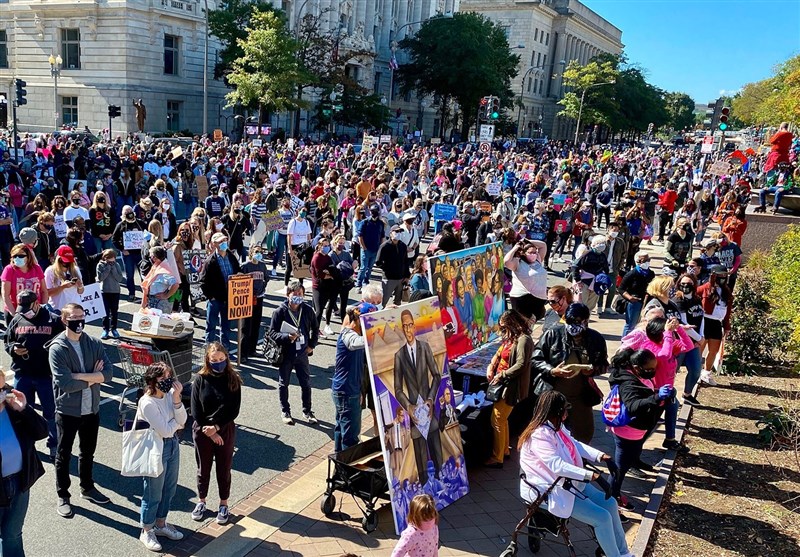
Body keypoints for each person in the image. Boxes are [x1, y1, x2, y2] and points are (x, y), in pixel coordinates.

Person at [518, 391, 632, 557]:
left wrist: (602, 457)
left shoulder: (556, 427)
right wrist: (592, 476)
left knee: (611, 504)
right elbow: (557, 465)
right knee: (602, 519)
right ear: (556, 412)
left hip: (571, 485)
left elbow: (574, 445)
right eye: (564, 410)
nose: (566, 413)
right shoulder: (540, 436)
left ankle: (624, 553)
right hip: (552, 491)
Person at [49, 303, 113, 518]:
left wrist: (79, 376)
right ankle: (63, 495)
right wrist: (92, 378)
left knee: (87, 452)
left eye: (82, 316)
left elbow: (109, 374)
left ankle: (87, 487)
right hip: (67, 410)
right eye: (74, 317)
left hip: (91, 409)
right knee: (64, 454)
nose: (79, 321)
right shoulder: (58, 348)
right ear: (65, 320)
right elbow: (66, 384)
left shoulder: (93, 342)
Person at [531, 303, 608, 443]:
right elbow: (536, 358)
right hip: (553, 392)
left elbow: (603, 364)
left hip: (580, 395)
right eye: (570, 321)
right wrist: (552, 370)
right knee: (548, 430)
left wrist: (592, 369)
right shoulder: (553, 333)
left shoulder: (595, 339)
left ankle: (580, 456)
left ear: (586, 321)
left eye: (578, 322)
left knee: (584, 431)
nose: (573, 326)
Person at [4, 289, 64, 459]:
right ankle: (26, 444)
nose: (25, 314)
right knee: (21, 411)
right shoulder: (17, 319)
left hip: (45, 376)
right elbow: (8, 341)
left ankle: (54, 444)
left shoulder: (53, 320)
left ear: (37, 304)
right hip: (22, 375)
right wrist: (14, 348)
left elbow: (62, 344)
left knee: (51, 412)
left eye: (28, 309)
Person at [606, 348, 668, 510]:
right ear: (636, 366)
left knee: (622, 466)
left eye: (655, 368)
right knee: (619, 469)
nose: (653, 372)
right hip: (628, 432)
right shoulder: (628, 384)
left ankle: (613, 495)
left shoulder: (635, 375)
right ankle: (611, 499)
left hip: (634, 431)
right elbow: (633, 406)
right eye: (649, 370)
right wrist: (656, 397)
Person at [190, 343, 242, 526]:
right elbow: (195, 410)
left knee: (224, 468)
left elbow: (233, 410)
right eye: (214, 360)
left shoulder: (233, 379)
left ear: (226, 359)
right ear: (207, 360)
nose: (218, 363)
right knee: (203, 468)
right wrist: (210, 432)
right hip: (203, 431)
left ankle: (223, 504)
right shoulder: (200, 379)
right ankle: (201, 501)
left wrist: (217, 427)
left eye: (221, 359)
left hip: (224, 429)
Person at [137, 361, 187, 552]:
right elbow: (166, 430)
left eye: (169, 376)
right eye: (163, 377)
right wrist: (175, 424)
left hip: (173, 444)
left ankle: (161, 524)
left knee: (169, 488)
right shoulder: (147, 402)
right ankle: (147, 529)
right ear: (152, 380)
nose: (168, 380)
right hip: (155, 448)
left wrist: (176, 400)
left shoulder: (168, 396)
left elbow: (182, 420)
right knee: (153, 491)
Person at [0, 369, 49, 557]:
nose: (3, 394)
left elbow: (42, 432)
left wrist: (24, 409)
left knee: (12, 535)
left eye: (3, 388)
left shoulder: (12, 408)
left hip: (20, 483)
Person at [393, 309, 443, 485]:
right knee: (422, 464)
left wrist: (430, 399)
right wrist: (409, 407)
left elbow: (436, 376)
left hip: (429, 413)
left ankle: (443, 485)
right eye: (404, 326)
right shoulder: (399, 356)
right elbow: (398, 388)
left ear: (414, 327)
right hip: (415, 417)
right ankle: (424, 493)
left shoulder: (425, 347)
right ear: (402, 329)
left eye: (410, 325)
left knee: (438, 457)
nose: (408, 330)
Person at [484, 310, 533, 468]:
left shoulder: (523, 340)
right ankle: (503, 451)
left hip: (510, 386)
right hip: (503, 383)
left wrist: (502, 375)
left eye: (505, 327)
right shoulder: (511, 338)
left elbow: (520, 364)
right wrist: (491, 366)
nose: (503, 331)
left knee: (497, 419)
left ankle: (497, 457)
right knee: (501, 420)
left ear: (514, 323)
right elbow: (499, 353)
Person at [268, 282, 320, 425]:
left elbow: (315, 328)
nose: (298, 297)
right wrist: (286, 337)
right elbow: (272, 333)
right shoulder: (280, 311)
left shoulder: (308, 310)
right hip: (286, 353)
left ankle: (307, 411)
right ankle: (285, 411)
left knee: (306, 383)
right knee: (284, 383)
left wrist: (312, 345)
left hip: (302, 352)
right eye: (295, 294)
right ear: (288, 295)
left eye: (300, 294)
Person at [332, 302, 378, 452]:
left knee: (341, 430)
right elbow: (354, 343)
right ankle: (347, 468)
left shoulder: (358, 334)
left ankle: (339, 467)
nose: (370, 325)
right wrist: (375, 333)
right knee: (350, 437)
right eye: (368, 321)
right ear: (358, 320)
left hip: (350, 391)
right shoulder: (348, 334)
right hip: (346, 392)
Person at [200, 233, 241, 352]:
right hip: (215, 299)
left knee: (226, 327)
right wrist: (211, 297)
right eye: (221, 241)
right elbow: (203, 281)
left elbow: (238, 270)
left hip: (229, 298)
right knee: (211, 326)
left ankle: (225, 350)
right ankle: (209, 350)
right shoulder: (210, 261)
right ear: (214, 244)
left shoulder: (231, 257)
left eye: (225, 240)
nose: (224, 243)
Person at [697, 265, 733, 387]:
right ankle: (696, 372)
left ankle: (706, 373)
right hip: (705, 321)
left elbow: (728, 311)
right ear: (713, 276)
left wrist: (727, 326)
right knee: (700, 348)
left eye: (724, 276)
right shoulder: (704, 288)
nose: (722, 278)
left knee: (714, 350)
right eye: (720, 276)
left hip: (717, 323)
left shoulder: (726, 291)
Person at [671, 274, 704, 406]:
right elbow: (683, 324)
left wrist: (701, 336)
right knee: (673, 371)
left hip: (694, 342)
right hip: (680, 341)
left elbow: (702, 318)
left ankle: (687, 394)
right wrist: (699, 338)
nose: (685, 286)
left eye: (689, 283)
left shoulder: (697, 299)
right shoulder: (678, 300)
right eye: (683, 283)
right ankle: (667, 396)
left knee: (696, 370)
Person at [1, 244, 47, 325]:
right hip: (15, 311)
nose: (17, 258)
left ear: (28, 257)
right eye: (15, 256)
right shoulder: (9, 270)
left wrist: (43, 308)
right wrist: (15, 314)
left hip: (35, 312)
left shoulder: (36, 268)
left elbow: (44, 291)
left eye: (21, 256)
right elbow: (5, 295)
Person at [504, 239, 548, 321]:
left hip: (539, 299)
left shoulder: (538, 260)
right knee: (522, 323)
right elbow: (506, 261)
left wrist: (526, 241)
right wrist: (515, 248)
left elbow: (543, 245)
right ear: (523, 253)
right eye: (530, 252)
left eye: (535, 252)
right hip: (522, 298)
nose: (534, 254)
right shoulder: (517, 263)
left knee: (533, 322)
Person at [240, 244, 269, 360]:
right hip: (247, 299)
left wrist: (262, 288)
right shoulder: (246, 266)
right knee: (246, 326)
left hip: (259, 297)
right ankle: (243, 353)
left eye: (260, 252)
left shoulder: (262, 266)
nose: (259, 254)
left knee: (256, 325)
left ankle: (252, 349)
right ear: (251, 252)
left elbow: (266, 278)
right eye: (257, 251)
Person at [112, 205, 146, 301]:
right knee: (129, 275)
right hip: (128, 254)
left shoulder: (140, 223)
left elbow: (147, 233)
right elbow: (114, 239)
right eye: (127, 212)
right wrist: (122, 249)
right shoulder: (120, 225)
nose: (129, 214)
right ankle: (131, 293)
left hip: (140, 253)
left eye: (130, 211)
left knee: (143, 273)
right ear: (123, 214)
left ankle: (146, 292)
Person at [618, 251, 655, 336]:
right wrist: (629, 297)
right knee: (630, 325)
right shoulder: (631, 274)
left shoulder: (651, 273)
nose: (647, 262)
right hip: (634, 303)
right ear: (638, 261)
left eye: (648, 259)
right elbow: (621, 288)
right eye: (644, 260)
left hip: (647, 302)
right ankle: (625, 344)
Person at [570, 235, 611, 313]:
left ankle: (586, 321)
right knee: (581, 303)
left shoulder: (603, 256)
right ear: (594, 244)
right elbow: (575, 266)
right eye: (599, 243)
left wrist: (604, 279)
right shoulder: (586, 254)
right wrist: (578, 280)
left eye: (603, 243)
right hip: (584, 281)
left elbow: (606, 269)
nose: (602, 245)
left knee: (591, 304)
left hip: (596, 283)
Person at [310, 237, 338, 337]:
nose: (327, 248)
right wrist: (329, 274)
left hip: (327, 286)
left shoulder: (327, 257)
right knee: (319, 310)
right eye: (325, 246)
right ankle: (315, 330)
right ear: (320, 246)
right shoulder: (317, 257)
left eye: (328, 245)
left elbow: (331, 268)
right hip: (318, 286)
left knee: (326, 307)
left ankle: (322, 327)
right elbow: (320, 274)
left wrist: (329, 272)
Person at [376, 225, 410, 307]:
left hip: (401, 278)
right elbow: (378, 262)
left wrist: (407, 275)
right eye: (396, 231)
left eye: (400, 232)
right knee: (383, 301)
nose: (399, 233)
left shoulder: (403, 246)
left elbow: (405, 261)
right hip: (389, 278)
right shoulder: (384, 246)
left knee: (398, 302)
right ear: (391, 233)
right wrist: (387, 269)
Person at [44, 245, 85, 312]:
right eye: (64, 261)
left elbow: (81, 292)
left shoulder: (76, 269)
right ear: (58, 259)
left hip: (75, 309)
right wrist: (62, 287)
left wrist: (80, 286)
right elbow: (47, 293)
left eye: (69, 261)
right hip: (58, 309)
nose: (66, 263)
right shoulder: (50, 271)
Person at [355, 204, 386, 289]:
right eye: (372, 211)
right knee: (363, 267)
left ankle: (366, 281)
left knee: (370, 267)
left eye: (375, 212)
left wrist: (381, 248)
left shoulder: (380, 223)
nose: (374, 213)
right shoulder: (365, 222)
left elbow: (382, 236)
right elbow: (360, 236)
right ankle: (358, 283)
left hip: (375, 249)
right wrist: (363, 246)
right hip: (366, 249)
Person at [95, 248, 123, 339]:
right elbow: (100, 278)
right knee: (105, 312)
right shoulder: (100, 265)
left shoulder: (117, 265)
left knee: (114, 311)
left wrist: (113, 269)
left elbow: (119, 278)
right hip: (105, 291)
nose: (111, 260)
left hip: (115, 291)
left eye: (113, 258)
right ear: (105, 258)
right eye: (109, 258)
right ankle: (105, 329)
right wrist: (107, 268)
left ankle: (114, 328)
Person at [141, 245, 179, 314]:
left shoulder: (163, 272)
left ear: (155, 258)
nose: (150, 259)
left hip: (160, 304)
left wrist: (166, 296)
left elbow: (176, 284)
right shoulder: (157, 267)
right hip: (154, 302)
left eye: (151, 257)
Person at [329, 233, 356, 323]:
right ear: (335, 242)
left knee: (344, 303)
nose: (341, 245)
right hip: (335, 282)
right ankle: (328, 323)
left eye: (343, 243)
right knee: (332, 302)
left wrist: (354, 264)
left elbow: (351, 264)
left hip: (345, 282)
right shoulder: (331, 255)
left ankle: (343, 321)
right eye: (340, 243)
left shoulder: (346, 254)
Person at [285, 207, 312, 286]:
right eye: (303, 211)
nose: (304, 213)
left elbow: (308, 235)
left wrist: (309, 246)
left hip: (303, 246)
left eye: (305, 212)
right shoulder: (293, 222)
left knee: (301, 267)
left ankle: (301, 285)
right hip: (294, 246)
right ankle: (286, 285)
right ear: (298, 211)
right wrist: (290, 249)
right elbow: (289, 236)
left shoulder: (306, 222)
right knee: (289, 267)